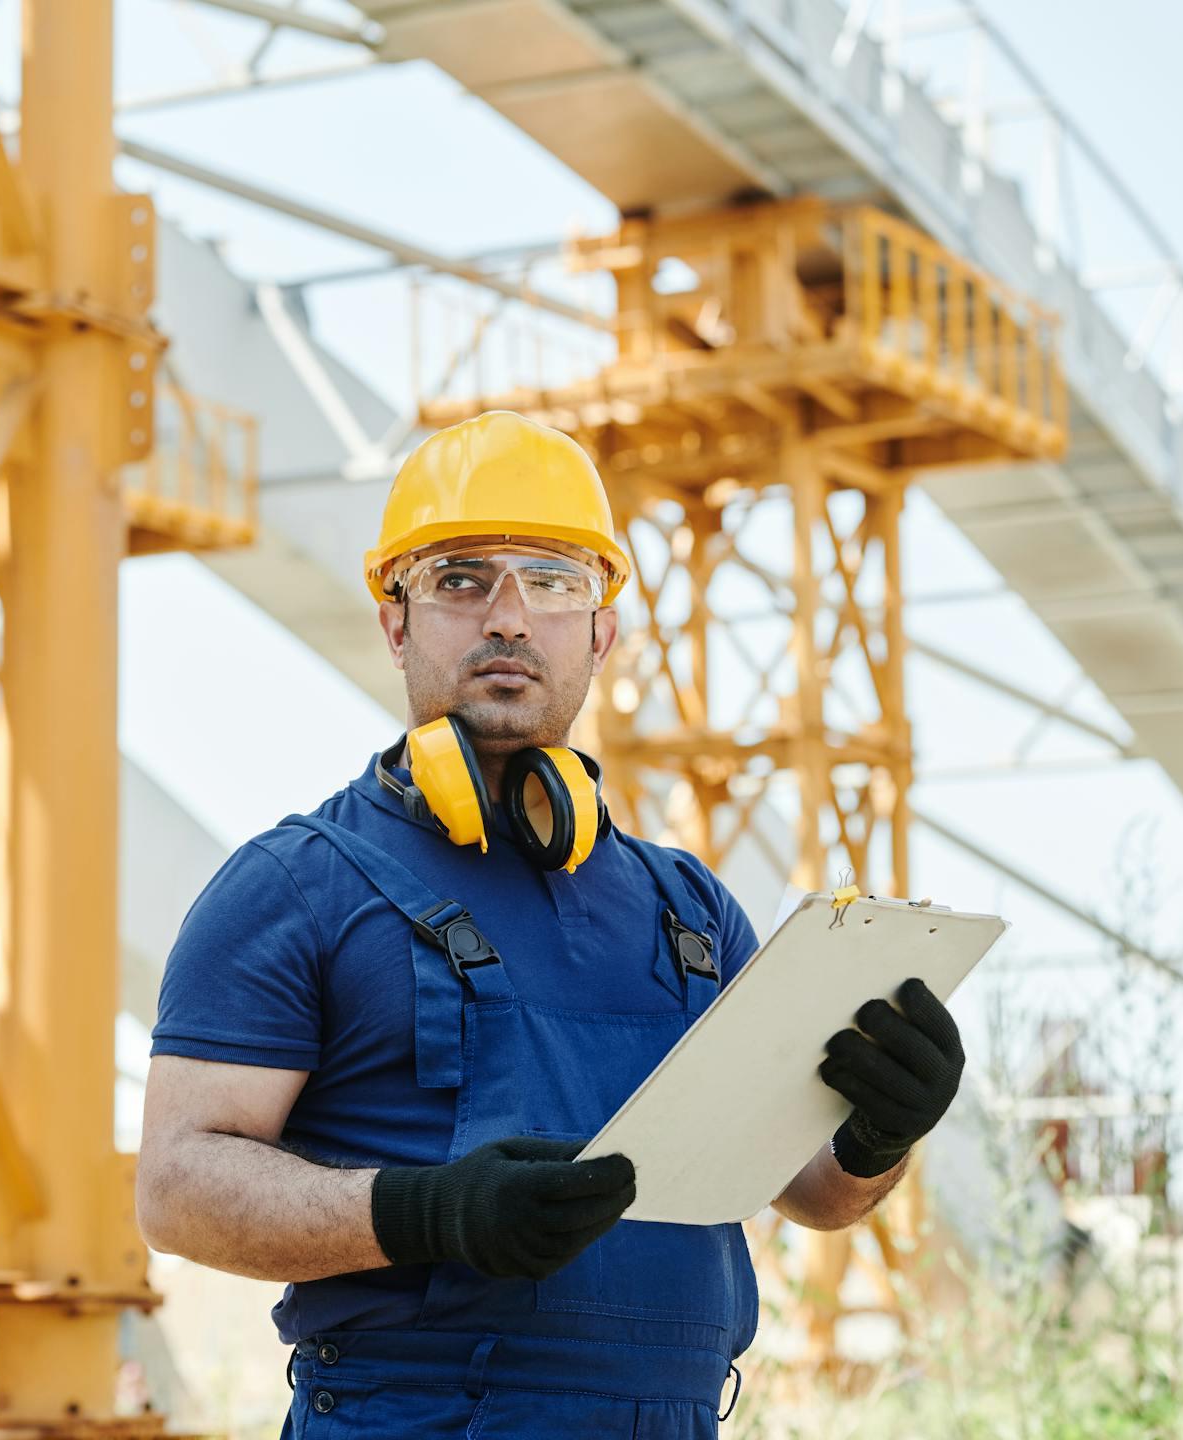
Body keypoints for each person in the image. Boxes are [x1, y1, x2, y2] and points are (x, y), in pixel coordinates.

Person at [136, 411, 964, 1437]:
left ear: (601, 632)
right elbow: (174, 1191)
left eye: (554, 581)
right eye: (460, 579)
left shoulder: (690, 912)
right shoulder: (295, 887)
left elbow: (815, 1193)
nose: (510, 618)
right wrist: (425, 1212)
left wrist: (885, 1131)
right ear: (397, 623)